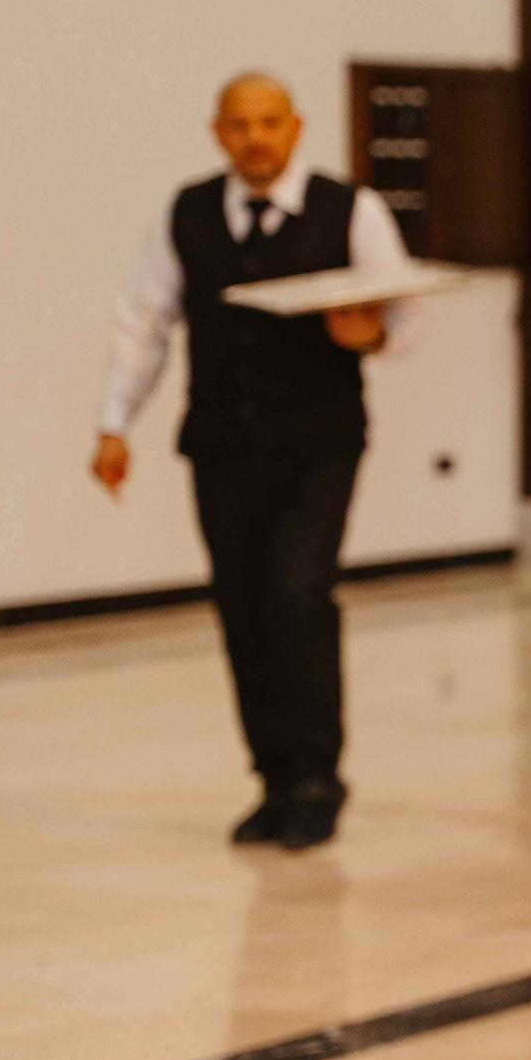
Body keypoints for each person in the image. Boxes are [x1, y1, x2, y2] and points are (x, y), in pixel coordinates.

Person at [92, 73, 410, 849]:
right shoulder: (189, 212)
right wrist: (114, 422)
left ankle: (317, 778)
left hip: (321, 442)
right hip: (221, 444)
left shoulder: (351, 208)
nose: (255, 137)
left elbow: (404, 311)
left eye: (269, 122)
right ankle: (272, 778)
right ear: (219, 132)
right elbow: (144, 321)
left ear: (296, 127)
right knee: (240, 605)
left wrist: (366, 335)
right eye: (240, 124)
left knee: (297, 594)